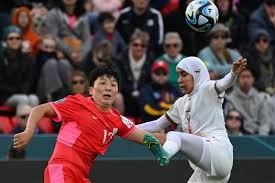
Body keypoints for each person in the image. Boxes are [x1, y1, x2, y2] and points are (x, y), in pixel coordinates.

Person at [13, 66, 169, 183]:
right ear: (91, 90)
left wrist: (179, 139)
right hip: (60, 169)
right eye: (103, 83)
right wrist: (28, 132)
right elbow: (40, 109)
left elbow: (146, 137)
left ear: (117, 92)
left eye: (113, 85)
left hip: (82, 177)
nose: (108, 87)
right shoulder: (76, 103)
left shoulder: (117, 120)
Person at [138, 56, 247, 182]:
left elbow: (224, 83)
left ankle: (165, 153)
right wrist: (125, 128)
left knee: (174, 135)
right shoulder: (180, 103)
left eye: (184, 75)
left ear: (197, 74)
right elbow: (157, 124)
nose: (179, 80)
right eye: (178, 75)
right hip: (205, 170)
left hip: (218, 152)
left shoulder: (207, 88)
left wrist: (233, 73)